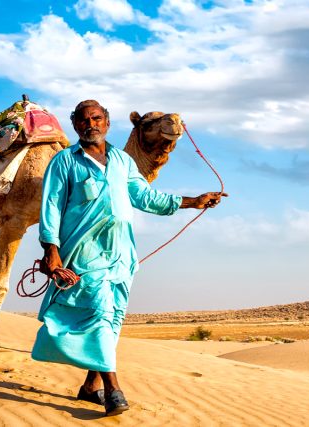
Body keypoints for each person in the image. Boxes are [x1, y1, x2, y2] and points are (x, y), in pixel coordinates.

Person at [32, 100, 226, 416]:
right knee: (99, 312)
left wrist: (193, 201)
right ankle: (113, 390)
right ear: (76, 125)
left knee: (112, 317)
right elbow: (50, 207)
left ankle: (90, 386)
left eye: (96, 118)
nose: (90, 124)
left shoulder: (122, 161)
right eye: (83, 120)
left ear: (107, 123)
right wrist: (50, 250)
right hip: (84, 251)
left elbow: (144, 196)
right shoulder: (64, 162)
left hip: (121, 253)